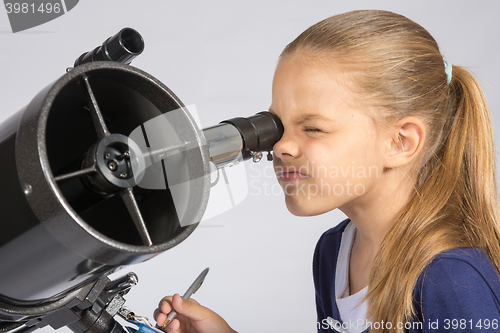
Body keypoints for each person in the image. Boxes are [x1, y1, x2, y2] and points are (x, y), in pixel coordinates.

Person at [153, 10, 500, 333]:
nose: (280, 146)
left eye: (314, 128)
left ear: (400, 142)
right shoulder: (334, 252)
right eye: (276, 126)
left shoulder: (451, 278)